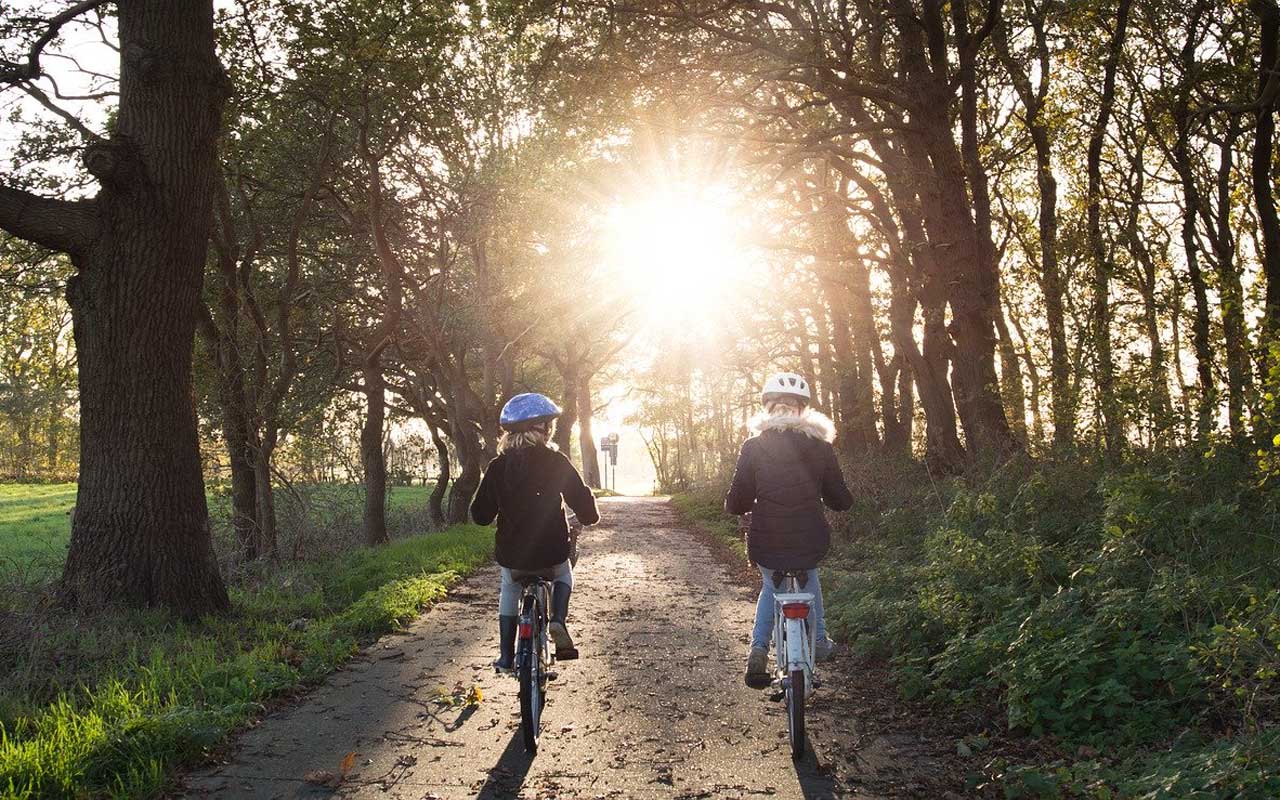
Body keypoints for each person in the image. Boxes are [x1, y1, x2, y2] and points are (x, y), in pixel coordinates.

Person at [725, 372, 854, 689]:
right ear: (802, 410)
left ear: (768, 409)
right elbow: (840, 499)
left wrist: (736, 506)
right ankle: (820, 639)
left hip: (766, 537)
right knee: (810, 576)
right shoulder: (821, 446)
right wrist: (834, 499)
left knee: (771, 585)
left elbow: (738, 498)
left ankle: (758, 649)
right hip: (810, 535)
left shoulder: (754, 446)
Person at [471, 392, 600, 672]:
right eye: (549, 425)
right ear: (542, 429)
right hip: (552, 553)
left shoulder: (497, 467)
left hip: (513, 556)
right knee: (564, 573)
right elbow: (586, 509)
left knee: (509, 585)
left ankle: (506, 656)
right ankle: (557, 620)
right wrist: (587, 513)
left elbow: (479, 516)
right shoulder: (557, 462)